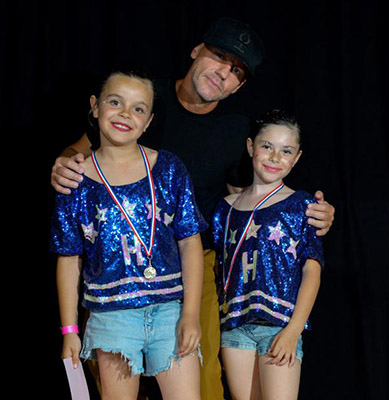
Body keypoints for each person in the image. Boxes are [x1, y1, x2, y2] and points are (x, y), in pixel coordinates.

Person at [50, 18, 335, 400]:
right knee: (113, 375)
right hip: (118, 269)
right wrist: (65, 161)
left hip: (193, 261)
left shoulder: (236, 130)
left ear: (240, 86)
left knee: (203, 377)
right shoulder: (144, 98)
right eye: (219, 57)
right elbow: (86, 147)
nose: (223, 73)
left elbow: (252, 194)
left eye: (236, 72)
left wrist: (309, 214)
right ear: (197, 50)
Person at [50, 71, 207, 400]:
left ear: (148, 122)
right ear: (95, 107)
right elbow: (69, 258)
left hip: (168, 310)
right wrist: (69, 330)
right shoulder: (75, 179)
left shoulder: (168, 168)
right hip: (111, 315)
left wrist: (191, 314)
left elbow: (190, 242)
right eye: (115, 102)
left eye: (138, 109)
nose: (125, 114)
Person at [212, 110, 323, 400]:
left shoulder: (302, 204)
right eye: (267, 146)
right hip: (235, 325)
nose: (275, 157)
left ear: (297, 157)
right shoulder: (225, 208)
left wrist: (293, 330)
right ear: (251, 146)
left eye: (286, 151)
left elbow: (312, 270)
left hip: (279, 325)